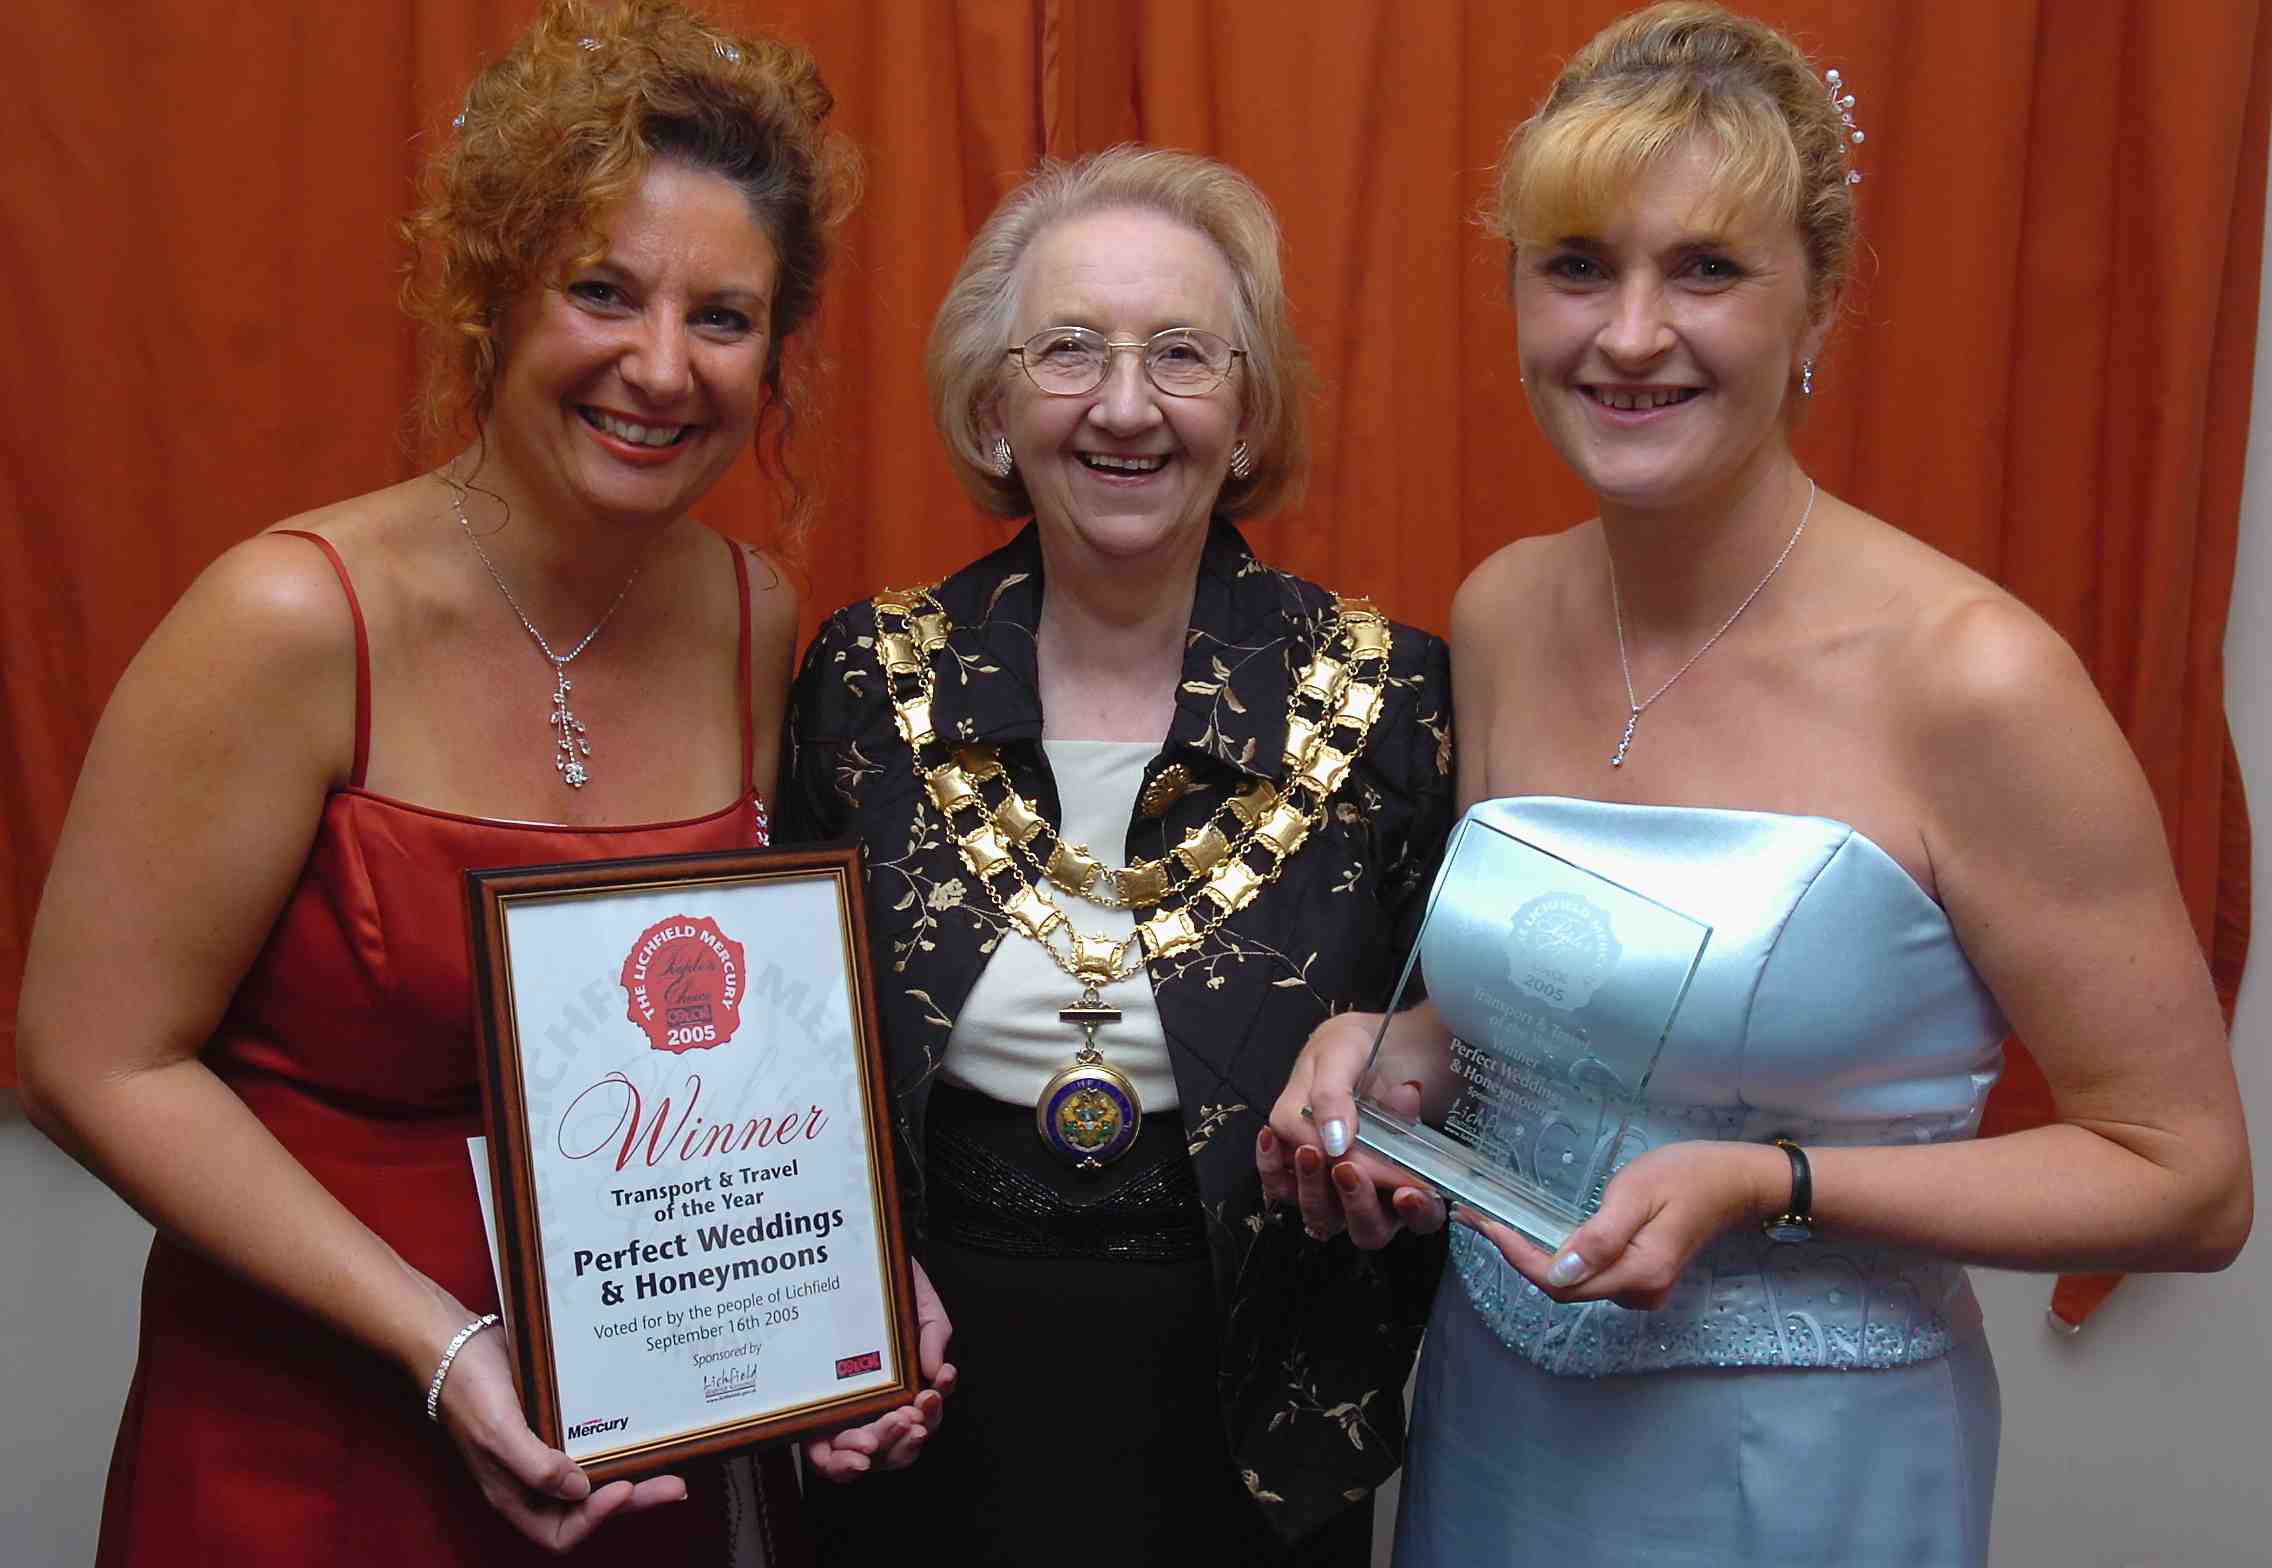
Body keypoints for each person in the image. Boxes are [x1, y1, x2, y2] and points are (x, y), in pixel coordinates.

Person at [1265, 5, 2253, 1565]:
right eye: (1576, 265)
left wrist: (1773, 1183)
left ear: (1819, 305)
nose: (1628, 335)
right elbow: (1569, 1009)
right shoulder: (1507, 610)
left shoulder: (1975, 679)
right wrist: (1392, 1052)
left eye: (1706, 270)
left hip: (1797, 1465)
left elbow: (2185, 1185)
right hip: (1496, 1429)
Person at [14, 3, 868, 1561]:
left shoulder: (753, 617)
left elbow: (736, 1049)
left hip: (631, 1455)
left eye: (724, 318)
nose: (660, 367)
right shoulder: (289, 617)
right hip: (313, 1439)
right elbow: (93, 1061)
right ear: (494, 295)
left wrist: (851, 1285)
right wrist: (442, 1344)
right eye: (601, 291)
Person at [779, 145, 1456, 1564]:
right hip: (924, 1381)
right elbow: (787, 1062)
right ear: (992, 404)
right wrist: (826, 1315)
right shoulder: (868, 679)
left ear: (1249, 412)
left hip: (1254, 1413)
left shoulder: (1387, 696)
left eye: (1183, 354)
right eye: (1071, 349)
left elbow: (1458, 1053)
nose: (1127, 405)